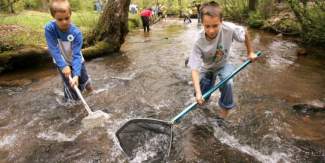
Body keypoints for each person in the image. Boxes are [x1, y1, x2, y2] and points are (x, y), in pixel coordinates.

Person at [188, 1, 257, 119]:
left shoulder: (229, 28)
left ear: (221, 21)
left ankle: (223, 116)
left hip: (223, 64)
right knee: (201, 97)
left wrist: (250, 52)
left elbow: (244, 32)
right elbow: (194, 68)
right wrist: (199, 93)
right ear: (202, 23)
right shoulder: (198, 41)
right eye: (207, 26)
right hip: (207, 68)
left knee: (228, 82)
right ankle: (203, 111)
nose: (211, 30)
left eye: (215, 25)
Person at [45, 0, 93, 102]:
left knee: (83, 79)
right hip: (60, 61)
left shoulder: (76, 33)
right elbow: (53, 49)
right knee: (71, 87)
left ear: (70, 14)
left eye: (67, 18)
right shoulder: (49, 29)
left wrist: (76, 75)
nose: (64, 22)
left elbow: (76, 55)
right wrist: (63, 66)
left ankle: (90, 91)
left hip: (77, 60)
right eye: (60, 19)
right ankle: (74, 104)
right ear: (54, 17)